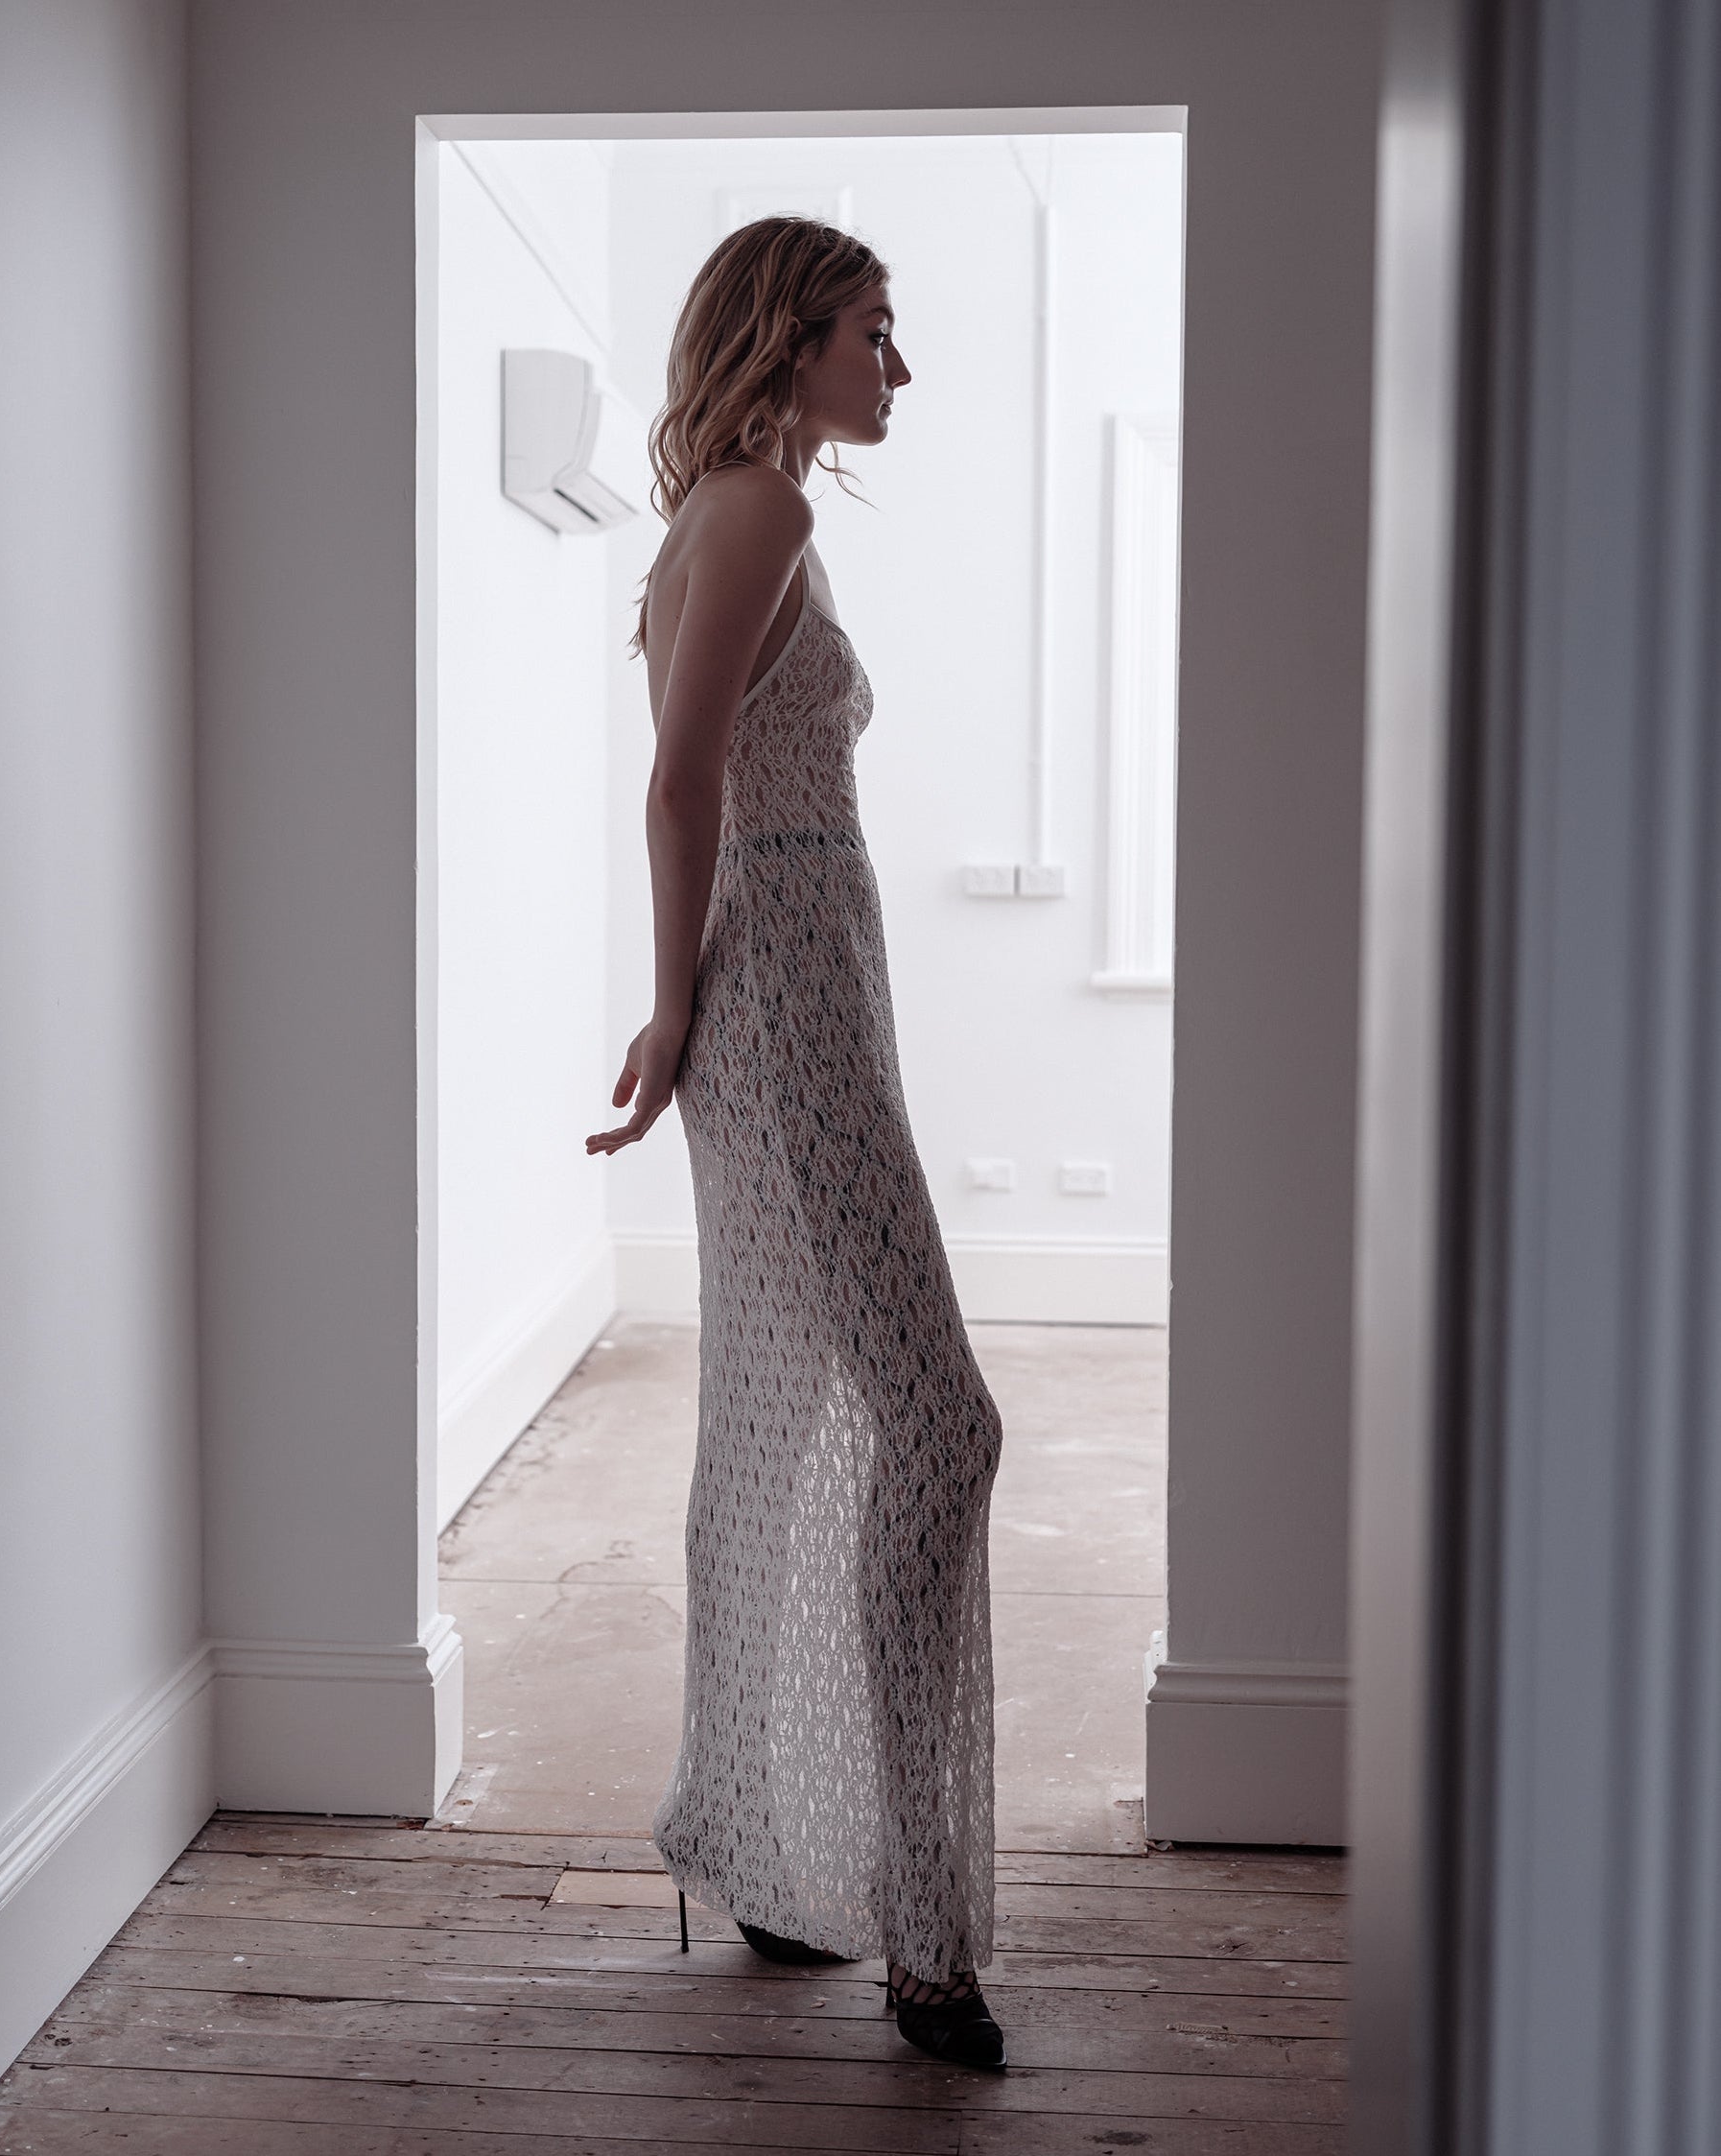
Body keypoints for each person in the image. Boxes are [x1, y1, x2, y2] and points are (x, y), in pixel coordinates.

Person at [586, 216, 1006, 2073]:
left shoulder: (734, 514)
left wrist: (697, 1007)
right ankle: (919, 1932)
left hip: (797, 1002)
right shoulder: (761, 508)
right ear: (784, 340)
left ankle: (756, 1840)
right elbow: (682, 776)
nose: (895, 368)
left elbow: (706, 771)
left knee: (771, 1422)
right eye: (871, 331)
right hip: (786, 1015)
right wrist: (677, 1009)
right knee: (939, 1422)